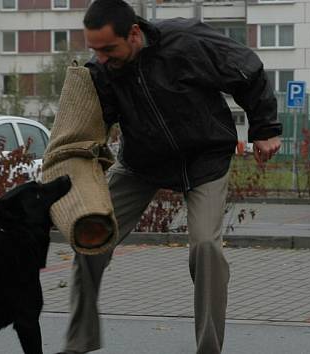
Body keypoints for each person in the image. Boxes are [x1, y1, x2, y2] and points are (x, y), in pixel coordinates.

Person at [56, 1, 282, 353]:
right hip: (140, 163)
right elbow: (85, 130)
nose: (101, 59)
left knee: (206, 248)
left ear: (133, 33)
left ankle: (208, 348)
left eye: (109, 49)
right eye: (94, 50)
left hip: (203, 159)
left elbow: (247, 70)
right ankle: (78, 342)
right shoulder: (101, 72)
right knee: (89, 237)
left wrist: (265, 129)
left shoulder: (186, 42)